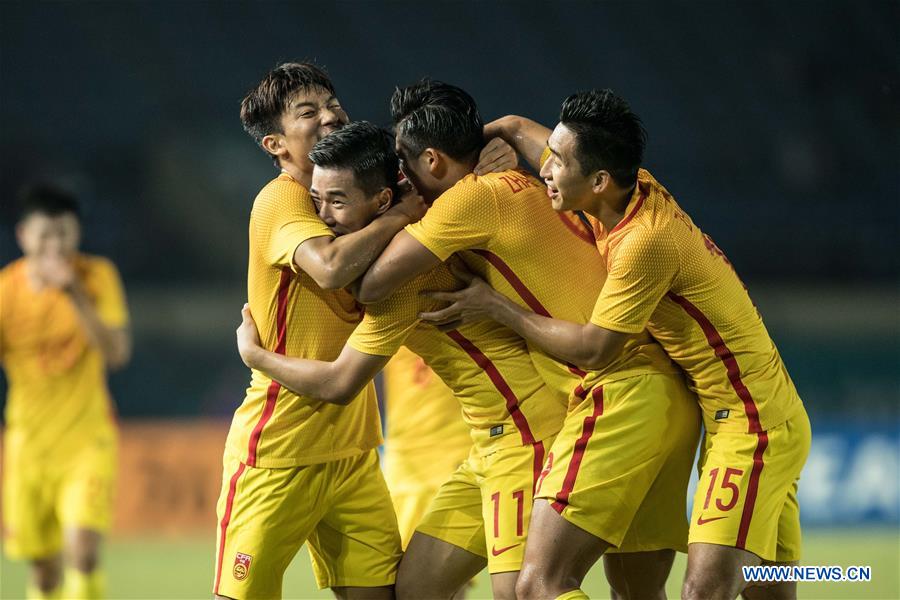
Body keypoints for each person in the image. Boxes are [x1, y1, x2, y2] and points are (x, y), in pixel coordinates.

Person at [427, 90, 811, 600]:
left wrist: (499, 308)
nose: (544, 168)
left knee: (703, 591)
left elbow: (594, 349)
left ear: (598, 181)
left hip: (751, 423)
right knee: (768, 586)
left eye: (557, 162)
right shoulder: (628, 186)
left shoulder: (644, 242)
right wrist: (483, 148)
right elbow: (520, 126)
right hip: (752, 412)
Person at [354, 79, 701, 599]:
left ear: (432, 160)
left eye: (404, 163)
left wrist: (397, 211)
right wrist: (506, 129)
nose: (401, 177)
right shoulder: (538, 180)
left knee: (538, 587)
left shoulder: (471, 200)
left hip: (614, 393)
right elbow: (554, 151)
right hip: (637, 392)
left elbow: (367, 283)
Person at [217, 62, 515, 600]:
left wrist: (489, 149)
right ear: (275, 144)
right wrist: (401, 214)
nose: (329, 116)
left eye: (332, 103)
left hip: (354, 452)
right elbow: (331, 268)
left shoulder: (368, 188)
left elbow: (434, 152)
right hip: (280, 446)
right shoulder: (282, 200)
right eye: (308, 113)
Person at [1, 184, 131, 600]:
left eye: (64, 233)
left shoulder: (97, 276)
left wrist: (73, 292)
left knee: (84, 551)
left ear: (77, 233)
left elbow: (116, 353)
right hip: (28, 446)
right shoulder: (6, 291)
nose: (55, 244)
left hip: (86, 440)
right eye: (45, 234)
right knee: (43, 571)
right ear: (23, 235)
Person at [381, 347, 471, 551]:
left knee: (451, 559)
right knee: (401, 560)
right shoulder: (388, 319)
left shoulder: (470, 317)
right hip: (404, 457)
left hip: (458, 448)